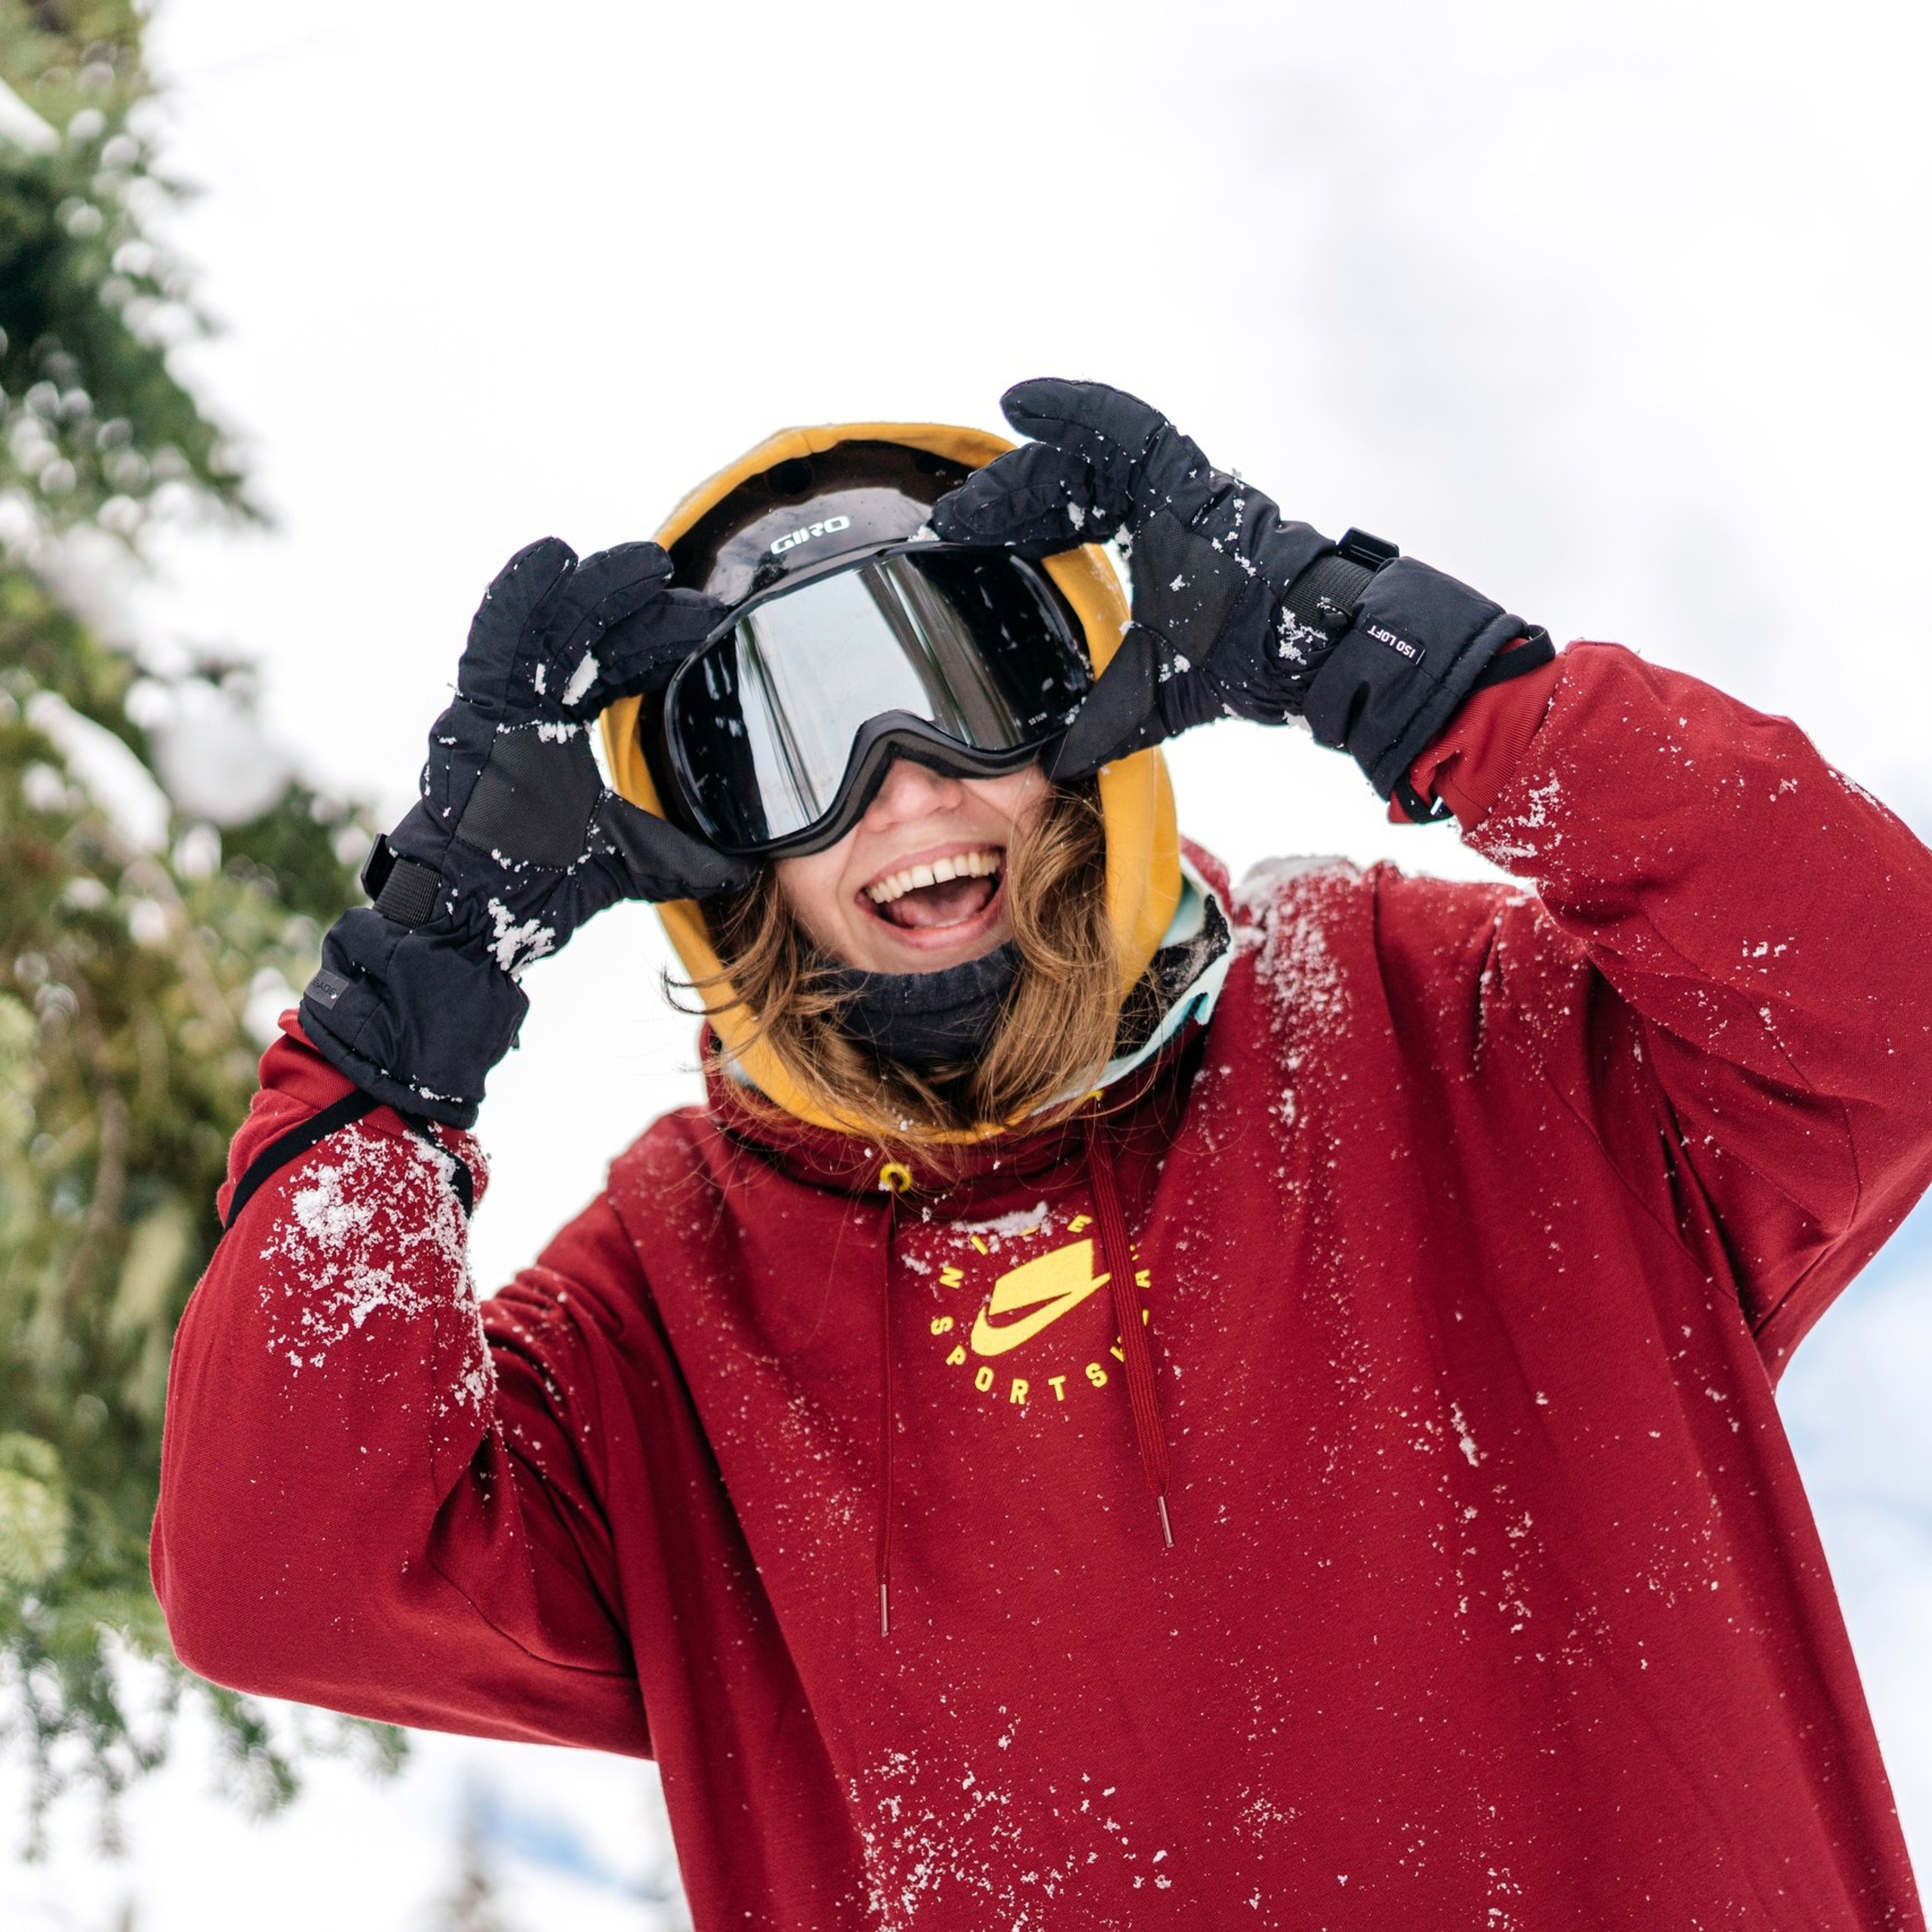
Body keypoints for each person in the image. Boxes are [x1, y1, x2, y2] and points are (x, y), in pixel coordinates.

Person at [153, 380, 1932, 1930]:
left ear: (1088, 709)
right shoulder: (664, 1313)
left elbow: (1881, 997)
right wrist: (407, 1003)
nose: (903, 780)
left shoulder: (1448, 1031)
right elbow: (283, 1568)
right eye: (784, 737)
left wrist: (1395, 658)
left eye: (967, 669)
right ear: (708, 842)